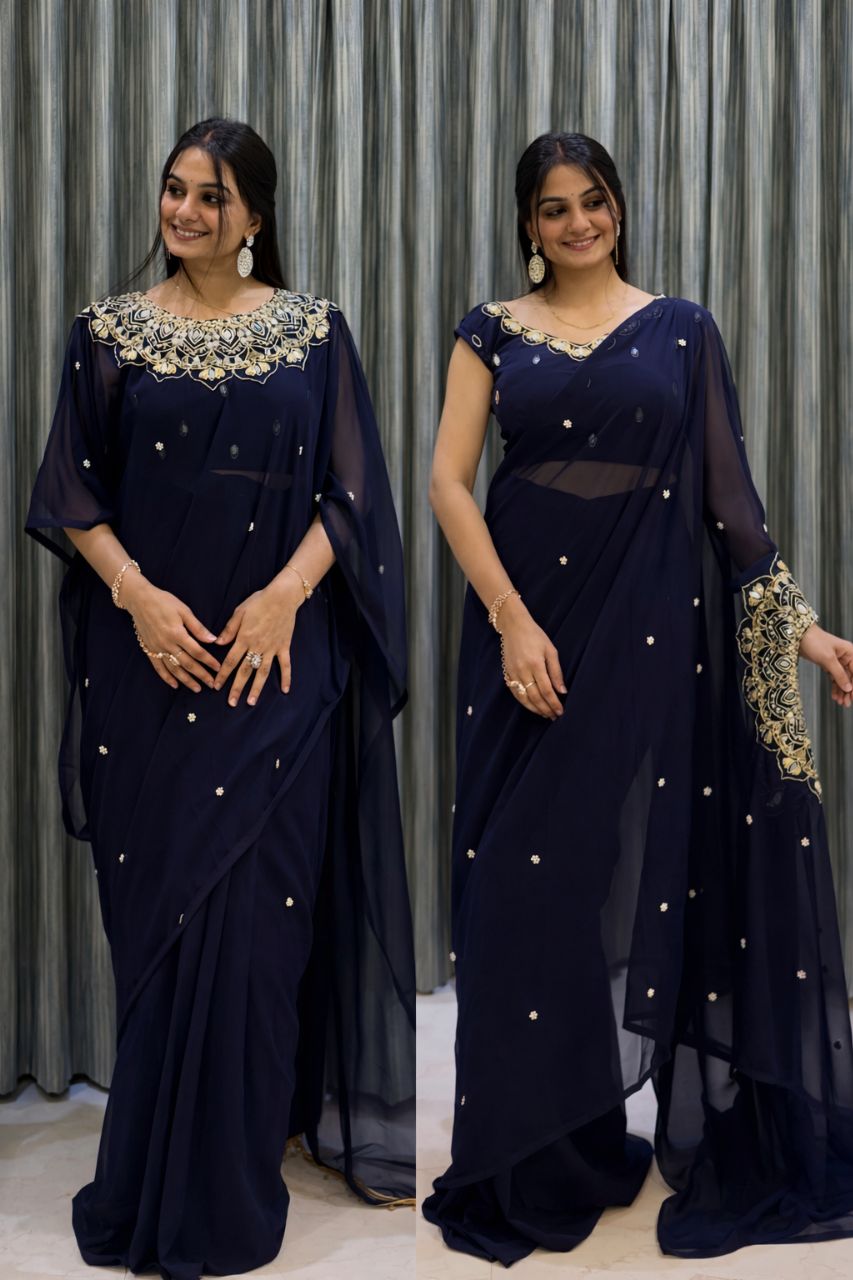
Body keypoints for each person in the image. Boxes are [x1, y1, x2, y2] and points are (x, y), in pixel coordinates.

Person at [422, 130, 853, 1265]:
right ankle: (539, 1147)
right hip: (523, 634)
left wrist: (802, 631)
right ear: (528, 225)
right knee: (516, 889)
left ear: (618, 207)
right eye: (553, 208)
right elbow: (447, 484)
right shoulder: (489, 329)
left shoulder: (681, 328)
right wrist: (511, 619)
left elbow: (732, 508)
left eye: (594, 201)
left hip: (646, 639)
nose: (577, 223)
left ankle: (615, 1126)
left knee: (601, 871)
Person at [26, 117, 414, 1278]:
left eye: (212, 196)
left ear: (254, 215)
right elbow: (69, 494)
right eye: (175, 190)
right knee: (158, 924)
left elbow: (352, 497)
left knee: (253, 935)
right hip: (147, 672)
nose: (187, 212)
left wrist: (286, 597)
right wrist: (139, 598)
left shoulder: (313, 332)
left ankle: (231, 1184)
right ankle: (148, 1178)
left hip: (274, 672)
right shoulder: (108, 334)